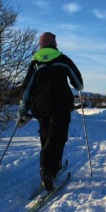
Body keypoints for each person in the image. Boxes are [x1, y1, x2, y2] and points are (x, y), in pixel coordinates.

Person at [18, 32, 83, 191]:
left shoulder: (35, 62)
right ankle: (47, 169)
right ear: (55, 44)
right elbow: (78, 84)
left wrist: (23, 109)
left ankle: (52, 168)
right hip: (60, 104)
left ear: (40, 45)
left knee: (46, 135)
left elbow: (27, 87)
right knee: (57, 137)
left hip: (40, 106)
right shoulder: (62, 59)